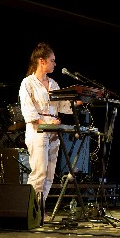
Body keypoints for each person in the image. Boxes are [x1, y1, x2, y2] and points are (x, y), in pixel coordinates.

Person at [18, 42, 81, 226]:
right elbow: (29, 113)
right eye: (52, 60)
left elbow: (62, 107)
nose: (55, 64)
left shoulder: (53, 83)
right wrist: (47, 122)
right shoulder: (28, 83)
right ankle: (28, 211)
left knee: (50, 174)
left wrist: (79, 101)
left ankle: (40, 210)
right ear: (41, 61)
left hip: (54, 133)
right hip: (38, 132)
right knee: (39, 172)